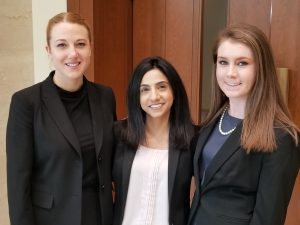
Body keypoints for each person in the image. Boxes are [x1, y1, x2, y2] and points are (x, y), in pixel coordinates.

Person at [6, 12, 116, 225]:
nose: (73, 53)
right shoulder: (26, 103)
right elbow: (18, 185)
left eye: (80, 44)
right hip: (51, 218)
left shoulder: (105, 96)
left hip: (99, 216)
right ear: (48, 50)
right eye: (62, 45)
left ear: (90, 47)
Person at [188, 23, 300, 225]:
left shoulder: (281, 136)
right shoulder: (212, 122)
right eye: (223, 62)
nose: (230, 73)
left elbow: (268, 218)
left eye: (242, 63)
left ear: (261, 68)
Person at [112, 56, 197, 225]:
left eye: (162, 87)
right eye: (145, 90)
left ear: (174, 90)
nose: (154, 96)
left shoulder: (193, 138)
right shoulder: (118, 134)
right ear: (136, 95)